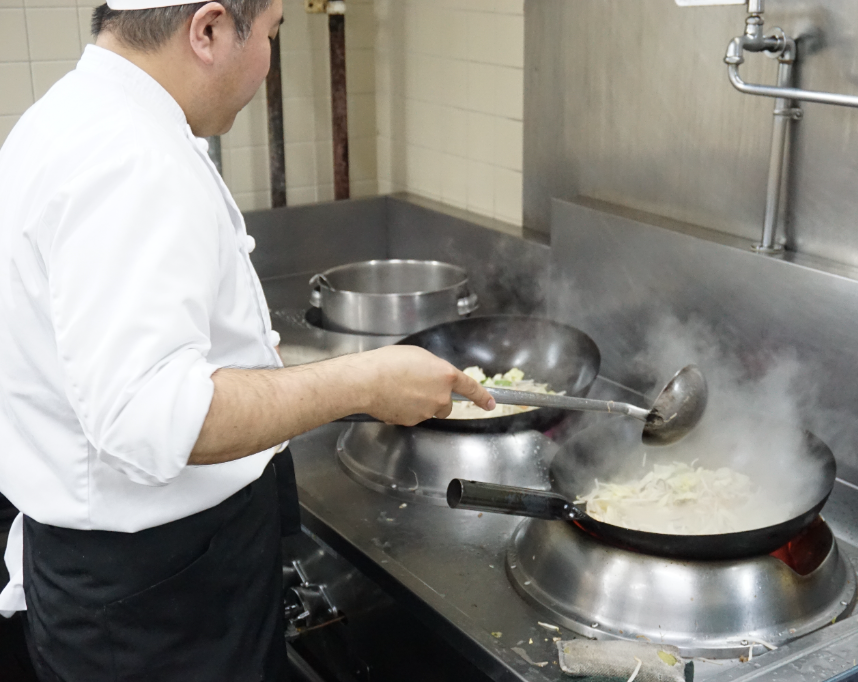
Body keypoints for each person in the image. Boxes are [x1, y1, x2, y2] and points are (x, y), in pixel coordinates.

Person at [0, 0, 495, 678]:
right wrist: (365, 381)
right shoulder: (128, 157)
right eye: (269, 33)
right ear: (207, 30)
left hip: (134, 580)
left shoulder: (70, 117)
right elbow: (153, 416)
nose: (267, 59)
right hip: (157, 605)